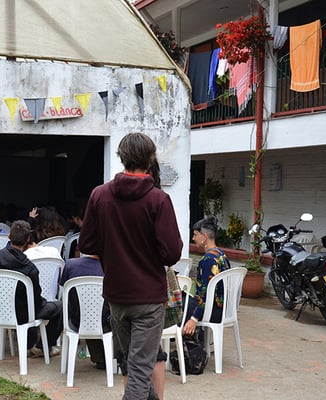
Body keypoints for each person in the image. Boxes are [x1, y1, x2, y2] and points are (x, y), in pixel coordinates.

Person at [79, 132, 183, 400]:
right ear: (150, 160)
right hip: (148, 298)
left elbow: (87, 243)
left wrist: (113, 246)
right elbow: (172, 253)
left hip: (116, 296)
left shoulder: (99, 195)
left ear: (122, 158)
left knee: (134, 365)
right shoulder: (158, 200)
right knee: (138, 372)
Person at [0, 220, 63, 357]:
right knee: (61, 306)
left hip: (0, 309)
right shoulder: (29, 268)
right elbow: (36, 299)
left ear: (9, 236)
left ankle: (31, 345)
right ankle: (43, 347)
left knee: (27, 304)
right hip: (24, 314)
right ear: (28, 239)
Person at [182, 216, 232, 337]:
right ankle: (190, 339)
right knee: (184, 299)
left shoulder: (208, 260)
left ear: (204, 236)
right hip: (223, 309)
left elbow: (205, 295)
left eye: (195, 235)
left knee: (177, 304)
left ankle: (182, 338)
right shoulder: (221, 255)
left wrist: (194, 319)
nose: (193, 238)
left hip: (213, 310)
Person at [58, 254, 109, 369]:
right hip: (106, 322)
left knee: (87, 312)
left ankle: (100, 359)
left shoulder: (70, 265)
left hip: (78, 321)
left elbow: (62, 292)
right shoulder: (113, 266)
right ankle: (115, 359)